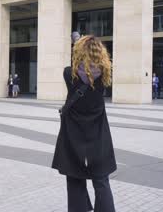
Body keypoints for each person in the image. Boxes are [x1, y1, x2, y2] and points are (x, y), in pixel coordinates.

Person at [52, 36, 116, 212]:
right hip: (97, 133)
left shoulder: (68, 73)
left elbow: (75, 68)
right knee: (101, 180)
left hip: (73, 133)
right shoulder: (105, 74)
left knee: (74, 177)